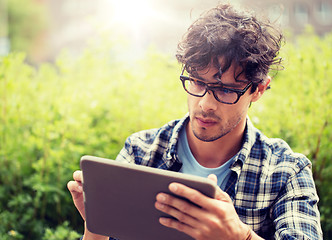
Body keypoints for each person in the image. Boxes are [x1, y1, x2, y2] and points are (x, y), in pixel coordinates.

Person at [67, 3, 323, 240]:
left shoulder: (287, 171)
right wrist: (96, 227)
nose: (205, 104)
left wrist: (239, 236)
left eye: (225, 90)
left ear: (258, 89)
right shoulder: (141, 151)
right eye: (198, 82)